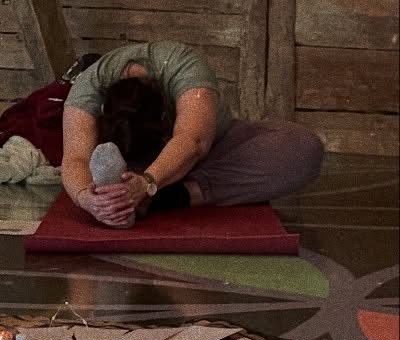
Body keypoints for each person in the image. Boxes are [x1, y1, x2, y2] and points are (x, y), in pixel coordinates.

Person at [61, 39, 324, 229]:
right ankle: (118, 194)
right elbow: (75, 158)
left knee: (303, 148)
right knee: (97, 171)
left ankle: (169, 198)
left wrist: (147, 183)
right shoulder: (87, 89)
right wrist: (87, 198)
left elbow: (192, 141)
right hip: (133, 165)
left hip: (207, 153)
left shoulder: (184, 68)